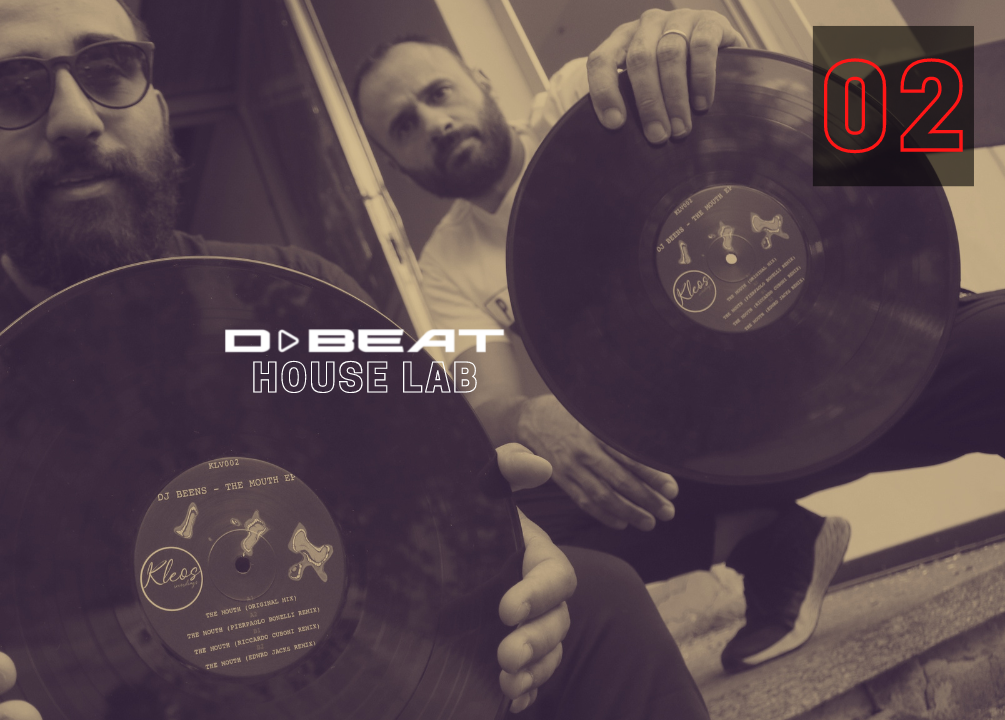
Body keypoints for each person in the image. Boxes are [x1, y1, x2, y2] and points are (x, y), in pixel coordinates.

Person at [0, 1, 714, 718]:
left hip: (356, 675)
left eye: (109, 69)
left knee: (596, 596)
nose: (76, 118)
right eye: (13, 89)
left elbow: (436, 486)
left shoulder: (298, 298)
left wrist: (506, 547)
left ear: (159, 110)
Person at [353, 8, 1005, 675]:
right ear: (394, 163)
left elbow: (690, 60)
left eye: (438, 93)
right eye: (404, 125)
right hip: (706, 451)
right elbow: (487, 397)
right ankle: (773, 542)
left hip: (852, 363)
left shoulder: (582, 98)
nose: (433, 123)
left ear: (482, 81)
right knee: (504, 524)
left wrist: (685, 36)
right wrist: (527, 416)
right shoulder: (444, 266)